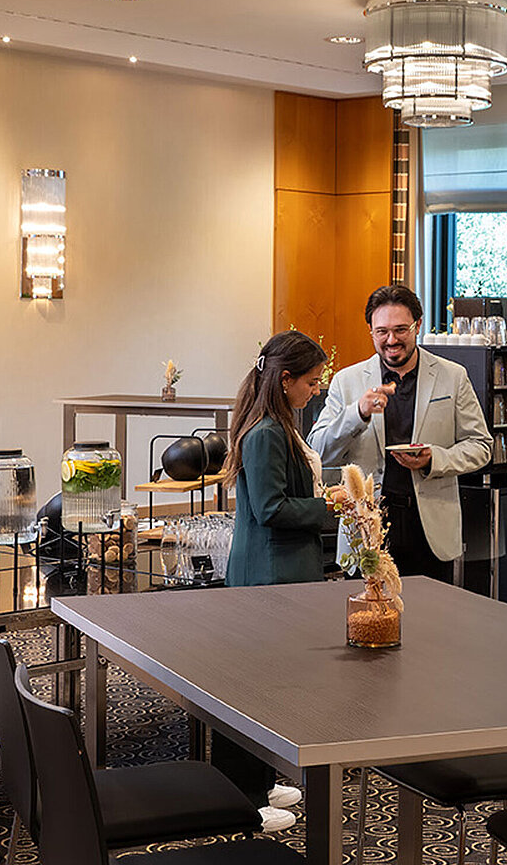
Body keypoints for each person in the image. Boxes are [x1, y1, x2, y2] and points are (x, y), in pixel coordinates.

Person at [216, 330, 338, 832]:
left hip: (278, 571)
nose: (316, 390)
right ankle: (243, 797)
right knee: (255, 691)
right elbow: (270, 509)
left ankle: (262, 780)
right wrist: (330, 507)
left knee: (269, 687)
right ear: (284, 380)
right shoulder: (266, 432)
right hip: (269, 575)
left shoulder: (276, 424)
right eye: (310, 382)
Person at [308, 285, 492, 581]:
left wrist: (435, 459)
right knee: (368, 623)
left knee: (431, 623)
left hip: (430, 532)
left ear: (417, 326)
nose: (391, 340)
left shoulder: (453, 376)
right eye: (382, 332)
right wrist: (358, 413)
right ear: (370, 330)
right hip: (366, 531)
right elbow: (319, 451)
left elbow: (481, 446)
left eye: (400, 330)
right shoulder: (347, 381)